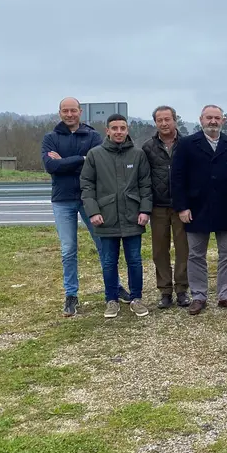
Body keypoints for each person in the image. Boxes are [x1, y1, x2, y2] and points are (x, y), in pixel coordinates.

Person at [41, 96, 127, 317]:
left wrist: (65, 161)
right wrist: (81, 158)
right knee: (68, 250)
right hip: (62, 200)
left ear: (80, 112)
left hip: (91, 200)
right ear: (59, 112)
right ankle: (71, 295)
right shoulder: (50, 138)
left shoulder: (93, 136)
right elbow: (51, 166)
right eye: (65, 111)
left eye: (73, 110)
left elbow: (97, 164)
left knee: (104, 246)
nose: (69, 114)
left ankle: (114, 286)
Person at [170, 105, 227, 315]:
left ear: (223, 121)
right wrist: (182, 207)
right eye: (209, 118)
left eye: (217, 118)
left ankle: (226, 295)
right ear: (201, 119)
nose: (213, 121)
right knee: (195, 254)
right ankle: (198, 296)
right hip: (196, 208)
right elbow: (177, 178)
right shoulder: (186, 144)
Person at [80, 114, 153, 318]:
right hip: (106, 217)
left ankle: (136, 298)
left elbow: (146, 185)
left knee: (135, 260)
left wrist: (145, 210)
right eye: (115, 128)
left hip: (133, 216)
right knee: (109, 261)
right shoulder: (95, 155)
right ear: (107, 131)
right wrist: (93, 211)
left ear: (127, 129)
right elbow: (87, 186)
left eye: (122, 128)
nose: (119, 132)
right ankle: (111, 300)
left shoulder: (138, 155)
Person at [142, 105, 190, 309]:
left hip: (182, 206)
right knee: (160, 251)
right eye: (159, 120)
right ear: (155, 123)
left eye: (167, 119)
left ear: (174, 120)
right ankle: (165, 291)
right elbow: (143, 177)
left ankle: (182, 290)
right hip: (158, 206)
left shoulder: (188, 144)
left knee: (183, 249)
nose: (163, 123)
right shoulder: (147, 147)